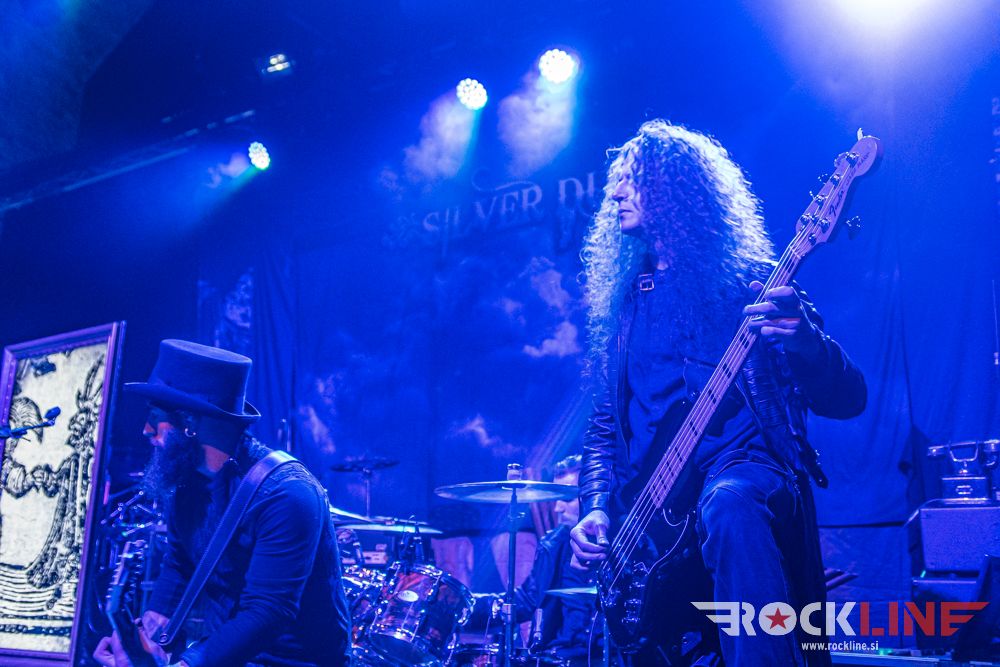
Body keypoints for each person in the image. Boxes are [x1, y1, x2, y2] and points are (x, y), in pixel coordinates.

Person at [569, 120, 866, 666]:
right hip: (653, 511)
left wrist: (804, 340)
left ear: (676, 188)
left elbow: (848, 399)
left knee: (728, 502)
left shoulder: (753, 283)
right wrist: (594, 508)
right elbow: (605, 427)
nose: (615, 193)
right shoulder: (626, 306)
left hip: (748, 470)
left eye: (632, 179)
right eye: (617, 180)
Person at [94, 339, 351, 667]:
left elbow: (268, 612)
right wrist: (146, 640)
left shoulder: (287, 495)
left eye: (155, 417)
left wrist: (186, 664)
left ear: (190, 423)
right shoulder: (189, 484)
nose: (146, 430)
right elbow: (179, 563)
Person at [511, 455, 600, 665]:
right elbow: (526, 600)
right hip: (557, 656)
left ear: (593, 497)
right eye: (557, 498)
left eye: (567, 498)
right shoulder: (554, 544)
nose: (557, 507)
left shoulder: (624, 546)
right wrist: (465, 604)